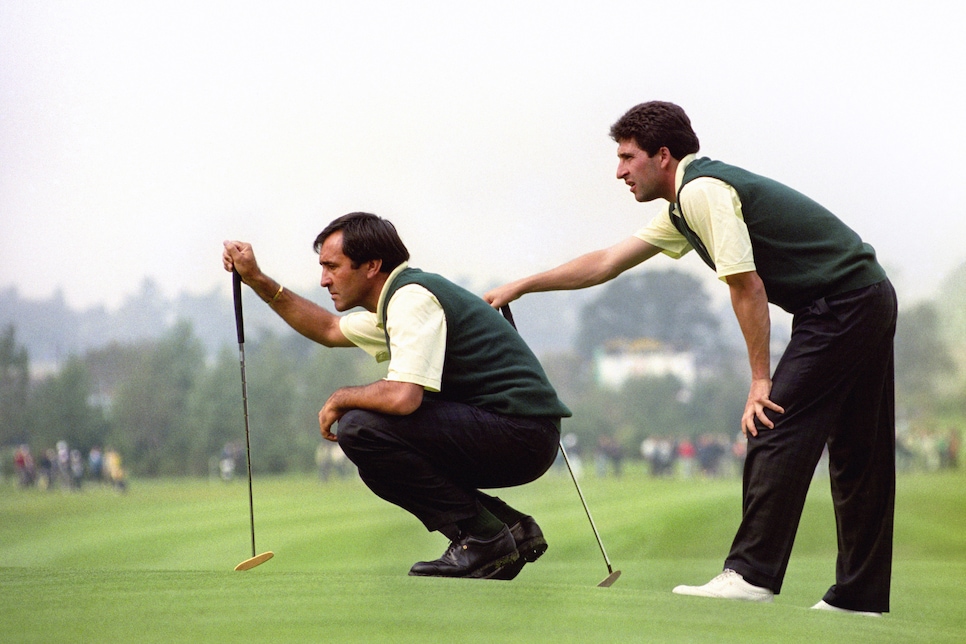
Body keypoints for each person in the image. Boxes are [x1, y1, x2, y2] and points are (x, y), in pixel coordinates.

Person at [485, 101, 897, 615]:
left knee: (772, 422)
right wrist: (523, 285)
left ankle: (751, 576)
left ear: (663, 155)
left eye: (627, 157)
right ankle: (859, 596)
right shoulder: (683, 206)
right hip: (862, 296)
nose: (619, 172)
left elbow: (747, 286)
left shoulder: (702, 192)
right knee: (859, 449)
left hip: (844, 304)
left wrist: (759, 380)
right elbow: (606, 263)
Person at [222, 212, 571, 580]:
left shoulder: (410, 300)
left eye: (332, 266)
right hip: (520, 431)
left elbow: (404, 398)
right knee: (371, 451)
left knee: (360, 429)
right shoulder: (398, 300)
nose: (324, 279)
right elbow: (327, 328)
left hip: (520, 435)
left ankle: (484, 537)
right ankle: (508, 527)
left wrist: (342, 397)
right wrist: (257, 280)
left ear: (371, 265)